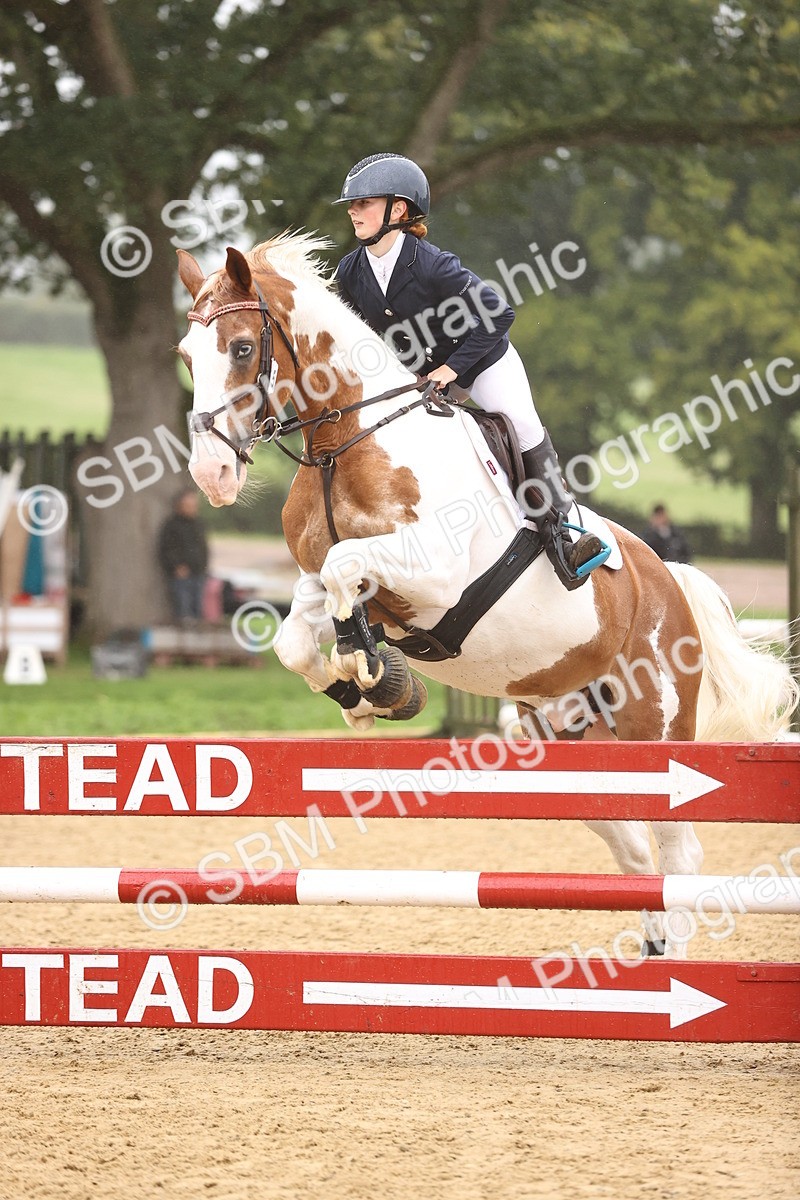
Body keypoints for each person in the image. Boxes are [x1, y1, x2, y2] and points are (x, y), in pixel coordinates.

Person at [333, 152, 608, 591]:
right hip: (419, 377)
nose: (352, 211)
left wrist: (449, 369)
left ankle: (564, 532)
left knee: (520, 425)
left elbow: (498, 315)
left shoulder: (433, 265)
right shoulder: (351, 270)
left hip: (481, 361)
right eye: (352, 204)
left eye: (363, 202)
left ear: (398, 210)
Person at [158, 488, 209, 623]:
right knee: (183, 609)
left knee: (197, 608)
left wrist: (204, 567)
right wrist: (176, 566)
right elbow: (167, 549)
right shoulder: (172, 525)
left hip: (198, 572)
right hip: (181, 574)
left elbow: (203, 548)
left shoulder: (198, 524)